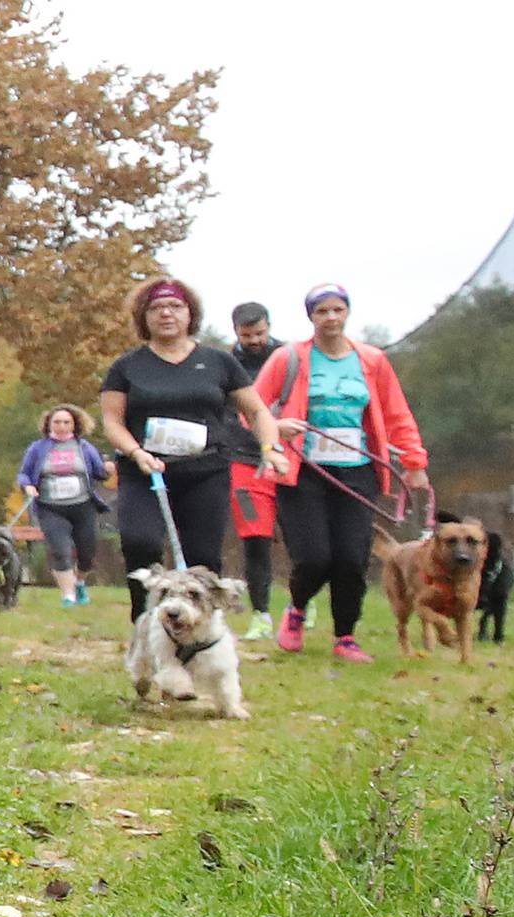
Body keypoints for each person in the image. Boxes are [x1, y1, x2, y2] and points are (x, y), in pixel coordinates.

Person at [254, 283, 429, 663]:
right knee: (315, 556)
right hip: (302, 470)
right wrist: (276, 426)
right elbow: (250, 406)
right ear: (310, 317)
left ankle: (345, 636)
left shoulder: (372, 360)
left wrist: (415, 464)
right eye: (322, 312)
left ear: (347, 313)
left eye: (337, 310)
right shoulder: (290, 358)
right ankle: (297, 609)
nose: (331, 318)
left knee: (352, 557)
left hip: (358, 470)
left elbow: (397, 413)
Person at [100, 276, 287, 622]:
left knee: (202, 556)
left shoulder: (219, 362)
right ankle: (145, 620)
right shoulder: (126, 367)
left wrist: (270, 447)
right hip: (146, 472)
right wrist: (136, 452)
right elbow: (113, 421)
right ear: (144, 317)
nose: (166, 314)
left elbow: (257, 410)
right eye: (157, 308)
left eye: (175, 307)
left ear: (190, 314)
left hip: (206, 471)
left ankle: (201, 629)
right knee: (140, 542)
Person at [16, 403, 111, 607]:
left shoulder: (84, 447)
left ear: (74, 424)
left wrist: (108, 468)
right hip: (50, 507)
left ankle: (80, 582)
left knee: (87, 551)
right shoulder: (37, 448)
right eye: (57, 422)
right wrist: (28, 487)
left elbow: (99, 472)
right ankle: (68, 596)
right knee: (60, 549)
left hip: (82, 505)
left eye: (66, 422)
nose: (61, 426)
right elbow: (24, 473)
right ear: (48, 424)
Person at [228, 302, 283, 639]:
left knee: (298, 536)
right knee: (256, 537)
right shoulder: (226, 363)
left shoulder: (289, 358)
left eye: (260, 333)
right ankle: (261, 614)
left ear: (269, 326)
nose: (254, 340)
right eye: (246, 335)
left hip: (288, 458)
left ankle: (301, 602)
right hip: (242, 462)